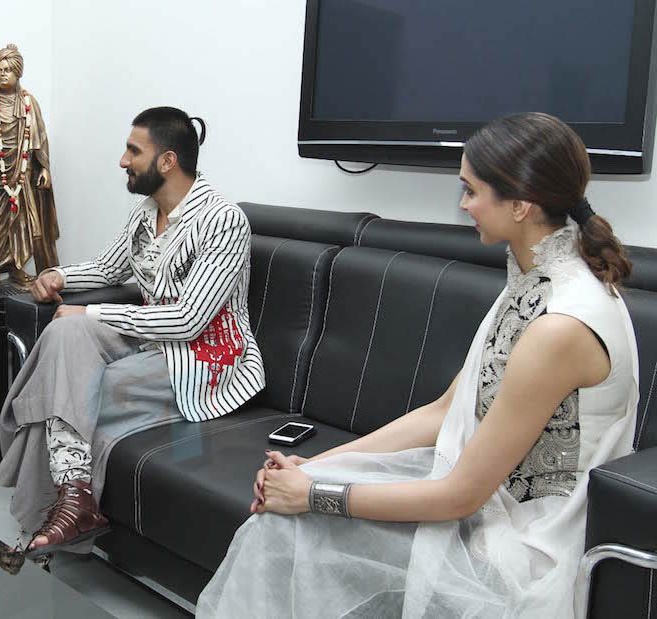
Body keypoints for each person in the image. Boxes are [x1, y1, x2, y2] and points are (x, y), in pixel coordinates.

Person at [196, 112, 638, 618]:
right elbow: (444, 411)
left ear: (519, 205)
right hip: (481, 507)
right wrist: (311, 467)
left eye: (471, 191)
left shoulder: (561, 323)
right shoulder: (534, 281)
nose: (463, 204)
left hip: (522, 550)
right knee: (285, 523)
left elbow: (459, 498)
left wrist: (314, 494)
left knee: (287, 531)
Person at [0, 106, 266, 571]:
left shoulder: (223, 221)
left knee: (77, 388)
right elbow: (107, 267)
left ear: (167, 161)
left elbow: (186, 321)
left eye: (133, 150)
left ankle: (43, 524)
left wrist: (94, 309)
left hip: (206, 361)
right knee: (65, 331)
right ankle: (74, 503)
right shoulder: (146, 214)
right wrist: (58, 274)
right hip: (150, 344)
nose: (123, 160)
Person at [0, 43, 59, 286]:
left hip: (23, 177)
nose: (2, 74)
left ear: (18, 72)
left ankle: (18, 268)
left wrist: (44, 169)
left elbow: (40, 139)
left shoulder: (29, 102)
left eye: (7, 69)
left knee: (22, 224)